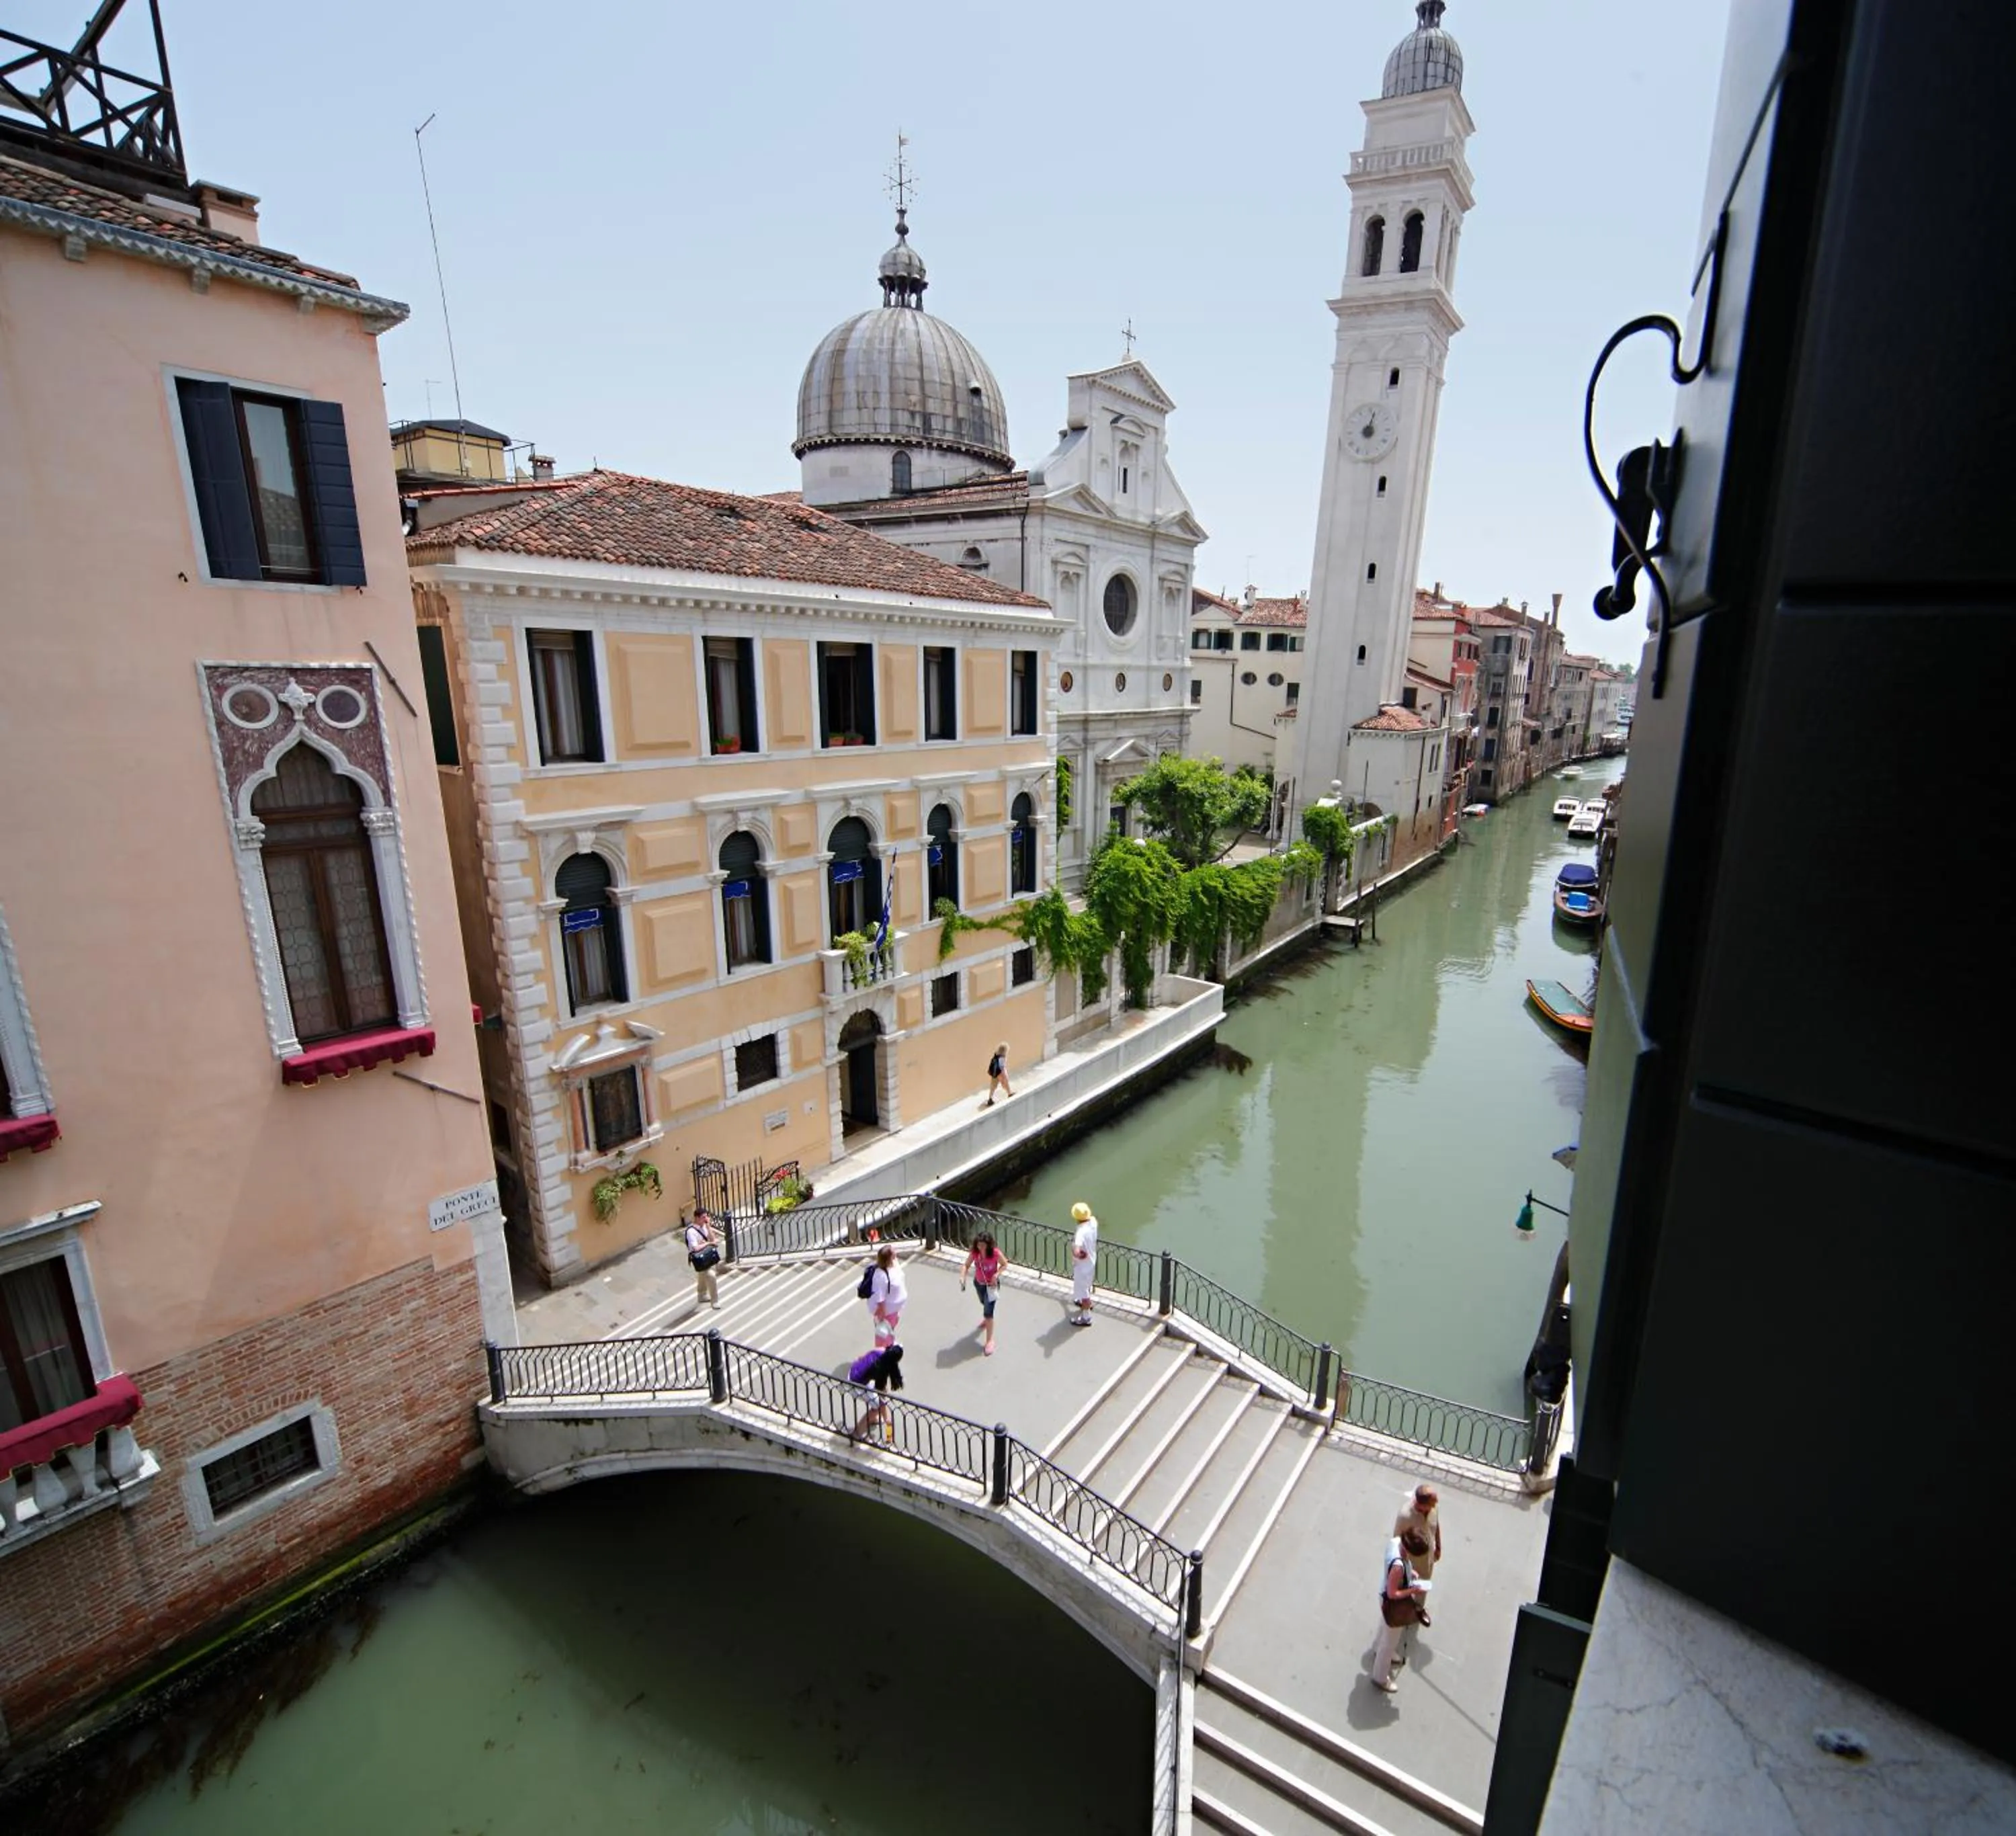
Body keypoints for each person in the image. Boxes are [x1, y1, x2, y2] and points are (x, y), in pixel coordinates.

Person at [1370, 1531, 1430, 1694]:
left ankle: (1377, 1647)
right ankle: (1380, 1677)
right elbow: (1393, 1593)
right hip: (1392, 1603)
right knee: (1389, 1643)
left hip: (1384, 1599)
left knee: (1384, 1626)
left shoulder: (1396, 1542)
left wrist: (1409, 1573)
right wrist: (1412, 1590)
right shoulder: (1398, 1567)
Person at [1394, 1483, 1443, 1624]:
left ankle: (1419, 1608)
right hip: (1411, 1560)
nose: (1436, 1506)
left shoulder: (1434, 1508)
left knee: (1424, 1584)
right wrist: (1402, 1564)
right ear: (1422, 1505)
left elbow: (1436, 1524)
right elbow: (1397, 1540)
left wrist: (1438, 1547)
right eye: (1433, 1503)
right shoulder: (1405, 1516)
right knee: (1404, 1584)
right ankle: (1401, 1604)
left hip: (1428, 1558)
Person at [846, 1343, 905, 1443]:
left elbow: (860, 1358)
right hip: (856, 1385)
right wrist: (887, 1419)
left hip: (853, 1373)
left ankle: (872, 1419)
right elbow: (882, 1399)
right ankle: (857, 1433)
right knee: (877, 1407)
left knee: (877, 1395)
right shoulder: (882, 1368)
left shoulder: (879, 1351)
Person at [961, 1232, 1007, 1355]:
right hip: (979, 1284)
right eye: (979, 1245)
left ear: (988, 1245)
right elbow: (966, 1265)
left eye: (983, 1245)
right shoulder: (975, 1253)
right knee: (983, 1302)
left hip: (991, 1287)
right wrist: (963, 1277)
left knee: (988, 1313)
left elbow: (1005, 1264)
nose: (980, 1248)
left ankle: (990, 1341)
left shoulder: (995, 1253)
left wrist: (996, 1275)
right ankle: (987, 1320)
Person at [866, 1243, 907, 1349]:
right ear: (889, 1259)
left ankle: (889, 1343)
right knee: (883, 1335)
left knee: (889, 1330)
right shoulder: (880, 1276)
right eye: (894, 1253)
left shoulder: (894, 1265)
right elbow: (880, 1300)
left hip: (893, 1310)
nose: (896, 1254)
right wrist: (881, 1317)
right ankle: (885, 1351)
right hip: (886, 1313)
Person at [683, 1208, 722, 1309]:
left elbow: (713, 1239)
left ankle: (702, 1295)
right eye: (703, 1217)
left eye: (706, 1217)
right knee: (711, 1275)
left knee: (702, 1274)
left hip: (705, 1254)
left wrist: (709, 1227)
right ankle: (715, 1301)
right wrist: (708, 1244)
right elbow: (695, 1248)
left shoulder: (704, 1226)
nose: (706, 1219)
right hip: (699, 1258)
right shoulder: (691, 1232)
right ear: (696, 1218)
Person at [1068, 1201, 1099, 1327]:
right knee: (1085, 1285)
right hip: (1091, 1261)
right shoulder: (1093, 1223)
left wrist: (1078, 1253)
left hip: (1082, 1266)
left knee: (1084, 1290)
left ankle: (1086, 1316)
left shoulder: (1081, 1232)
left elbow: (1076, 1250)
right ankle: (1082, 1301)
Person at [982, 1042, 1013, 1108]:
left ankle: (990, 1099)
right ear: (1005, 1050)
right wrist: (1004, 1076)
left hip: (994, 1073)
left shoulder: (996, 1055)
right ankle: (1010, 1093)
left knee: (993, 1086)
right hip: (1000, 1073)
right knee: (1005, 1083)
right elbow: (1002, 1068)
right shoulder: (1003, 1058)